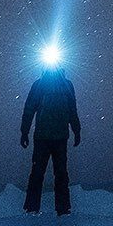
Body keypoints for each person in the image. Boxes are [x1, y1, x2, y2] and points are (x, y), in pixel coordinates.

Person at [20, 60, 81, 215]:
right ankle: (33, 208)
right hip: (44, 137)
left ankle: (62, 209)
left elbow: (72, 109)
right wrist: (24, 132)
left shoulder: (66, 85)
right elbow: (29, 109)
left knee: (58, 174)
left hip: (57, 137)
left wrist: (77, 130)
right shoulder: (40, 85)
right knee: (41, 173)